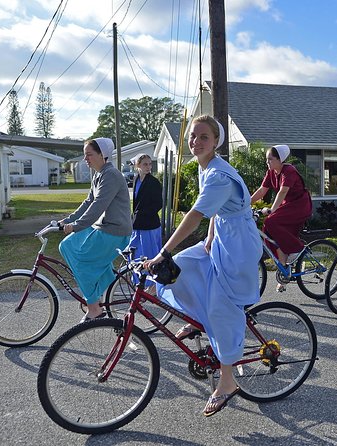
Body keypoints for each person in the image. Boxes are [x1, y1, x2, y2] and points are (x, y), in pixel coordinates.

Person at [144, 115, 261, 417]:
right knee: (185, 266)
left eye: (203, 137)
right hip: (223, 235)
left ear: (215, 142)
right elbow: (214, 211)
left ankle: (227, 381)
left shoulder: (219, 175)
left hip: (238, 246)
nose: (195, 141)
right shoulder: (204, 166)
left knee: (223, 307)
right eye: (193, 136)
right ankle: (198, 318)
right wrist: (210, 235)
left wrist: (163, 252)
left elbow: (196, 213)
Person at [58, 138, 132, 321]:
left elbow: (98, 206)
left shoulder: (112, 175)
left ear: (102, 155)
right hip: (102, 227)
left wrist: (76, 226)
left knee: (82, 260)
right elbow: (88, 202)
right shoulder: (98, 174)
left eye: (89, 155)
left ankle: (94, 307)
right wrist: (66, 220)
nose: (86, 159)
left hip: (115, 231)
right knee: (66, 246)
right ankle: (104, 277)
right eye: (85, 155)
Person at [250, 144, 312, 291]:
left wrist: (272, 210)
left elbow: (282, 192)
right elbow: (262, 190)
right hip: (287, 206)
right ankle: (284, 271)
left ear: (280, 159)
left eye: (270, 159)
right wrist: (244, 203)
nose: (267, 162)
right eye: (267, 159)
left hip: (299, 206)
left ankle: (297, 249)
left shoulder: (288, 171)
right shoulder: (271, 172)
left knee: (271, 221)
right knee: (268, 233)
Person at [128, 153, 162, 287]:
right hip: (137, 223)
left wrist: (143, 214)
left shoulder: (154, 182)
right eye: (145, 164)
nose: (148, 167)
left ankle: (152, 284)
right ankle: (139, 282)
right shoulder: (136, 179)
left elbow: (158, 204)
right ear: (138, 166)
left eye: (150, 164)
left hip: (150, 225)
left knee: (150, 254)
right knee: (135, 253)